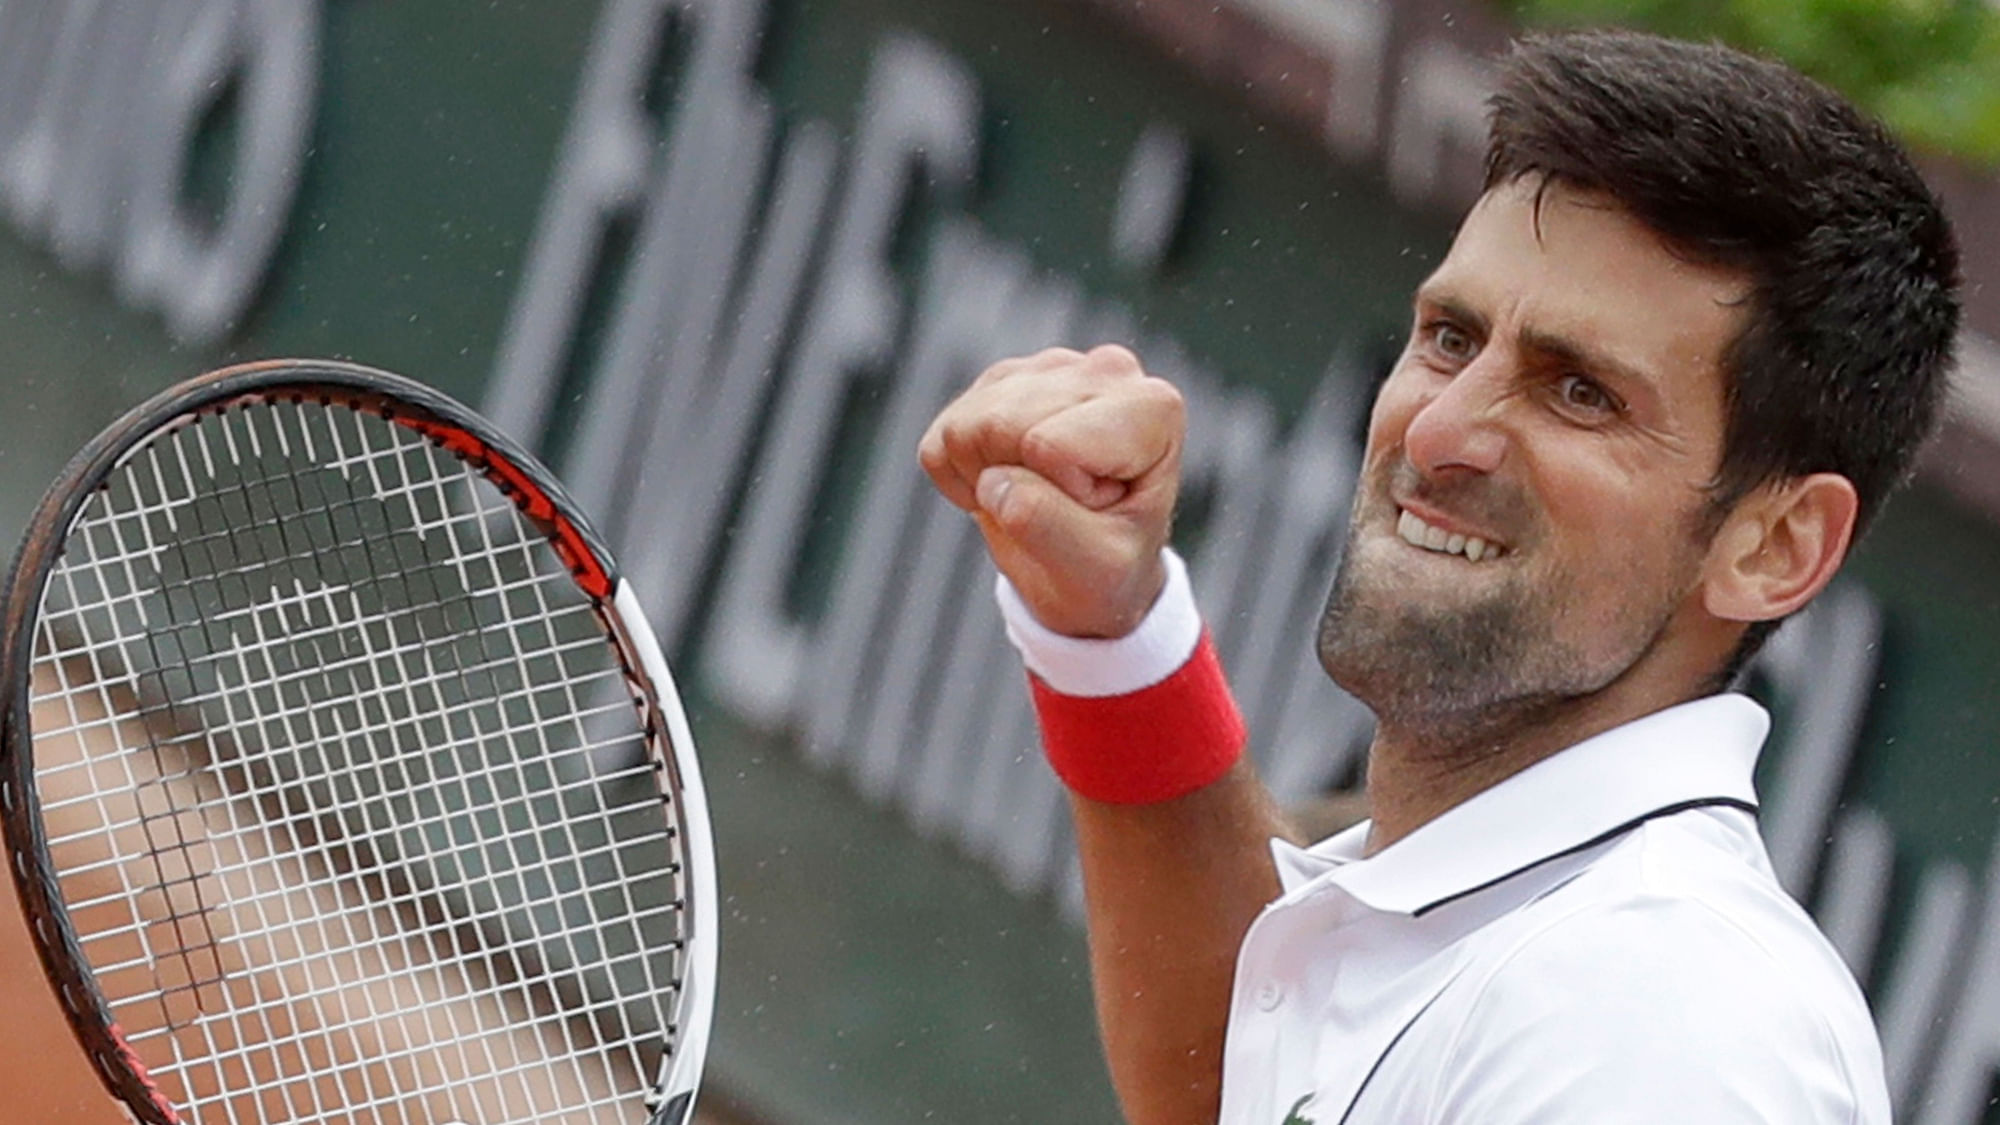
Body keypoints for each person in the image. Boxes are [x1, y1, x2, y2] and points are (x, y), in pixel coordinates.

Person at [918, 28, 1958, 1125]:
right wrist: (1110, 639)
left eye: (1578, 393)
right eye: (1450, 339)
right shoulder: (1544, 943)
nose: (1439, 431)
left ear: (1773, 546)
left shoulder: (1657, 1021)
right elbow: (1209, 1093)